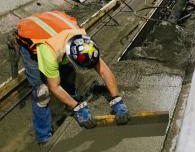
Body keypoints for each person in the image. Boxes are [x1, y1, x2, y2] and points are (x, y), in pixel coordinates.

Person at [15, 11, 129, 145]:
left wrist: (117, 100)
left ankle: (70, 105)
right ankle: (44, 137)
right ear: (70, 56)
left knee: (68, 75)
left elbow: (104, 71)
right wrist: (78, 107)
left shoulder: (84, 44)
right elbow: (54, 87)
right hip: (31, 38)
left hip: (54, 25)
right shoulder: (50, 53)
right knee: (42, 93)